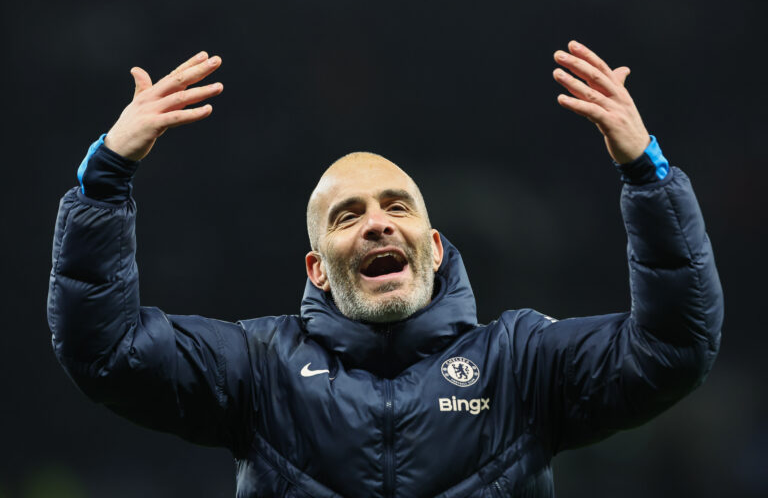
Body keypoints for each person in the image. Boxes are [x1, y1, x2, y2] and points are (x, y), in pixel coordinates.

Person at [47, 41, 723, 497]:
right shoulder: (259, 367)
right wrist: (104, 179)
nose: (376, 222)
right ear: (316, 269)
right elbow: (105, 350)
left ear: (433, 247)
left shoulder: (522, 362)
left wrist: (648, 175)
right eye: (347, 215)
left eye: (396, 207)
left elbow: (673, 348)